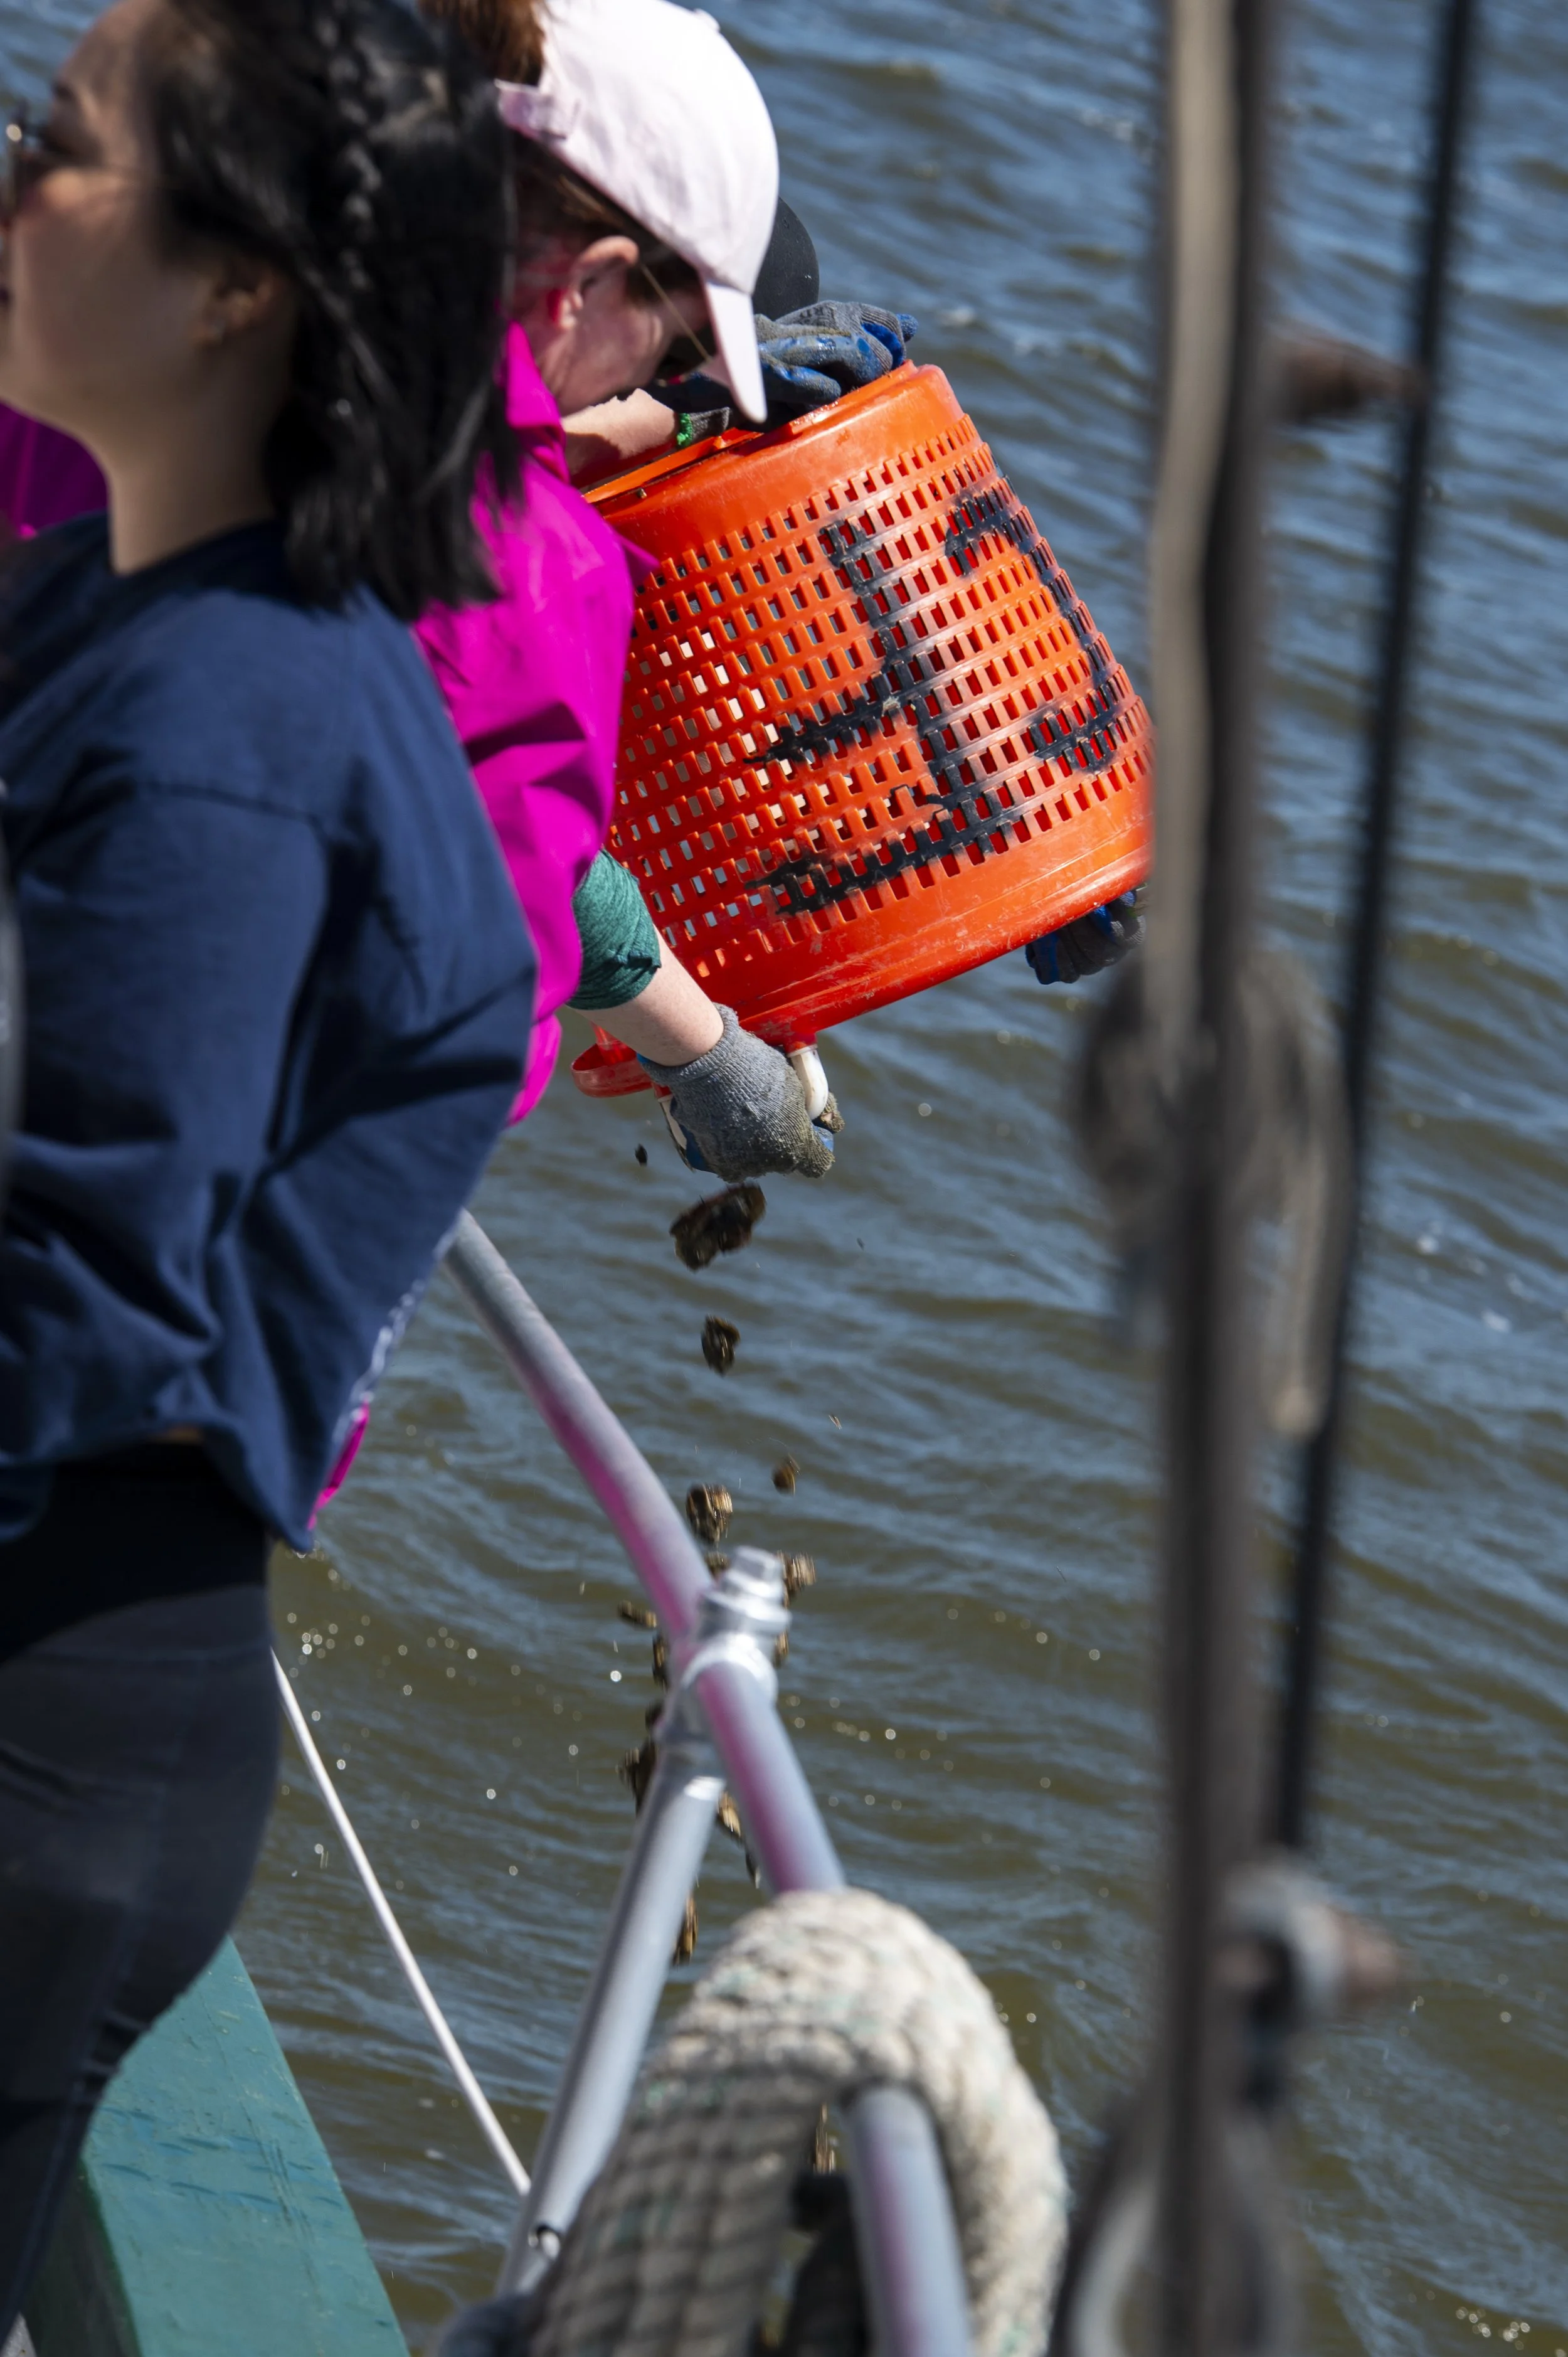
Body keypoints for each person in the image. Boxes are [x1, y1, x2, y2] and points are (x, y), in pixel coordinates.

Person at [0, 0, 536, 2320]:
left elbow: (73, 1289)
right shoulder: (151, 606)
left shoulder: (231, 729)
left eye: (67, 143)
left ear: (237, 291)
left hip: (47, 1701)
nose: (15, 183)